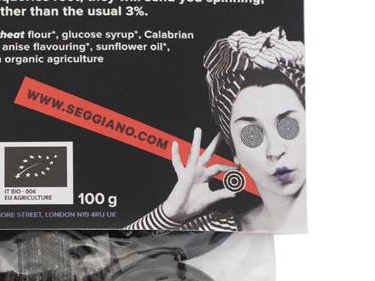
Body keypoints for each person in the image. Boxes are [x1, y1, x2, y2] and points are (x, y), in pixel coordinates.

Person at [128, 28, 306, 233]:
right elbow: (104, 252)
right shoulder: (216, 232)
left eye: (288, 126)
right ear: (234, 152)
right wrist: (169, 214)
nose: (274, 150)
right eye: (251, 134)